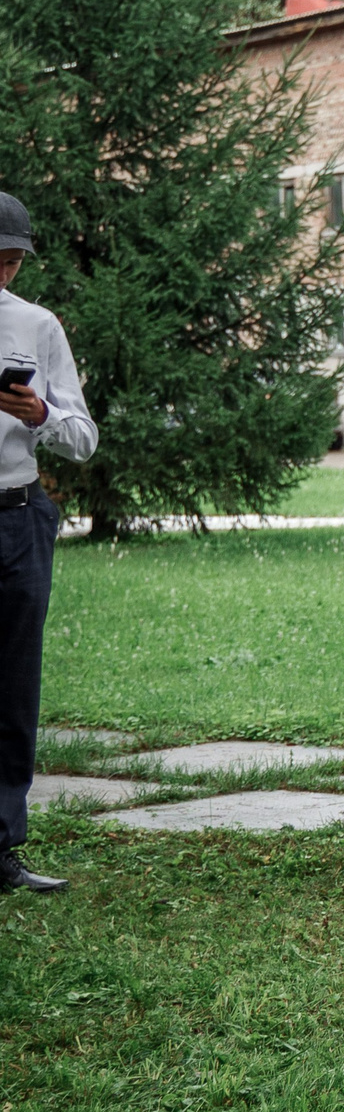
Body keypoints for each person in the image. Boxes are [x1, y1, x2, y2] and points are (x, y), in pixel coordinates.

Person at [0, 192, 94, 894]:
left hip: (17, 515)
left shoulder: (37, 326)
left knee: (13, 686)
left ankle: (3, 847)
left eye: (13, 259)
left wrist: (43, 412)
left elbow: (84, 437)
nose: (6, 270)